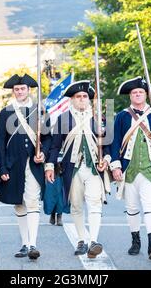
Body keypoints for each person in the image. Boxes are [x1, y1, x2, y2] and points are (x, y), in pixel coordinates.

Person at [109, 77, 151, 260]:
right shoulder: (121, 116)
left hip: (150, 168)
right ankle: (135, 241)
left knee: (150, 208)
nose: (137, 95)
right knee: (132, 208)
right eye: (134, 93)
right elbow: (114, 142)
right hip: (129, 169)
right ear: (130, 95)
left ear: (147, 95)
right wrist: (115, 165)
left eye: (141, 92)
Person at [45, 80, 110, 259]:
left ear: (89, 99)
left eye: (85, 96)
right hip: (71, 168)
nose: (82, 99)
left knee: (95, 203)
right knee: (76, 205)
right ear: (72, 100)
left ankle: (93, 241)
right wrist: (50, 166)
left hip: (94, 168)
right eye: (78, 97)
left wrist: (107, 159)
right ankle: (81, 240)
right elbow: (55, 146)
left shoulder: (99, 117)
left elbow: (108, 144)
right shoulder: (63, 118)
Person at [0, 74, 51, 260]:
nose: (20, 91)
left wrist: (43, 153)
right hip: (13, 164)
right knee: (19, 204)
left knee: (33, 201)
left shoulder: (40, 111)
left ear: (29, 90)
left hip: (33, 165)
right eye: (17, 89)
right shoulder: (5, 112)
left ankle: (33, 244)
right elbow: (0, 142)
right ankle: (25, 244)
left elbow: (48, 138)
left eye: (23, 89)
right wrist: (2, 168)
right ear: (14, 91)